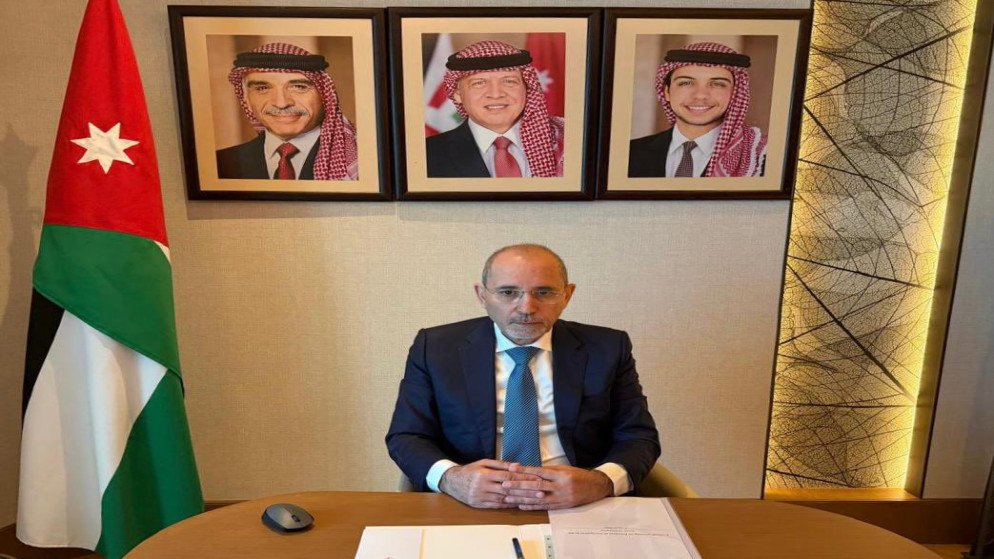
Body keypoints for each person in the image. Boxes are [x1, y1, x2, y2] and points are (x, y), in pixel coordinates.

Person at [386, 244, 660, 510]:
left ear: (567, 295)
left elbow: (638, 437)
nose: (527, 307)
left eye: (544, 292)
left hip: (577, 503)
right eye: (508, 292)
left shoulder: (607, 347)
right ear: (482, 295)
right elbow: (407, 436)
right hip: (472, 502)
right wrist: (451, 478)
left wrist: (600, 482)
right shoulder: (435, 348)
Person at [216, 42, 358, 180]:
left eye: (299, 87)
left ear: (325, 96)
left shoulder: (359, 162)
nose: (281, 103)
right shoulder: (220, 164)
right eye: (262, 88)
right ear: (246, 99)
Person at [426, 41, 565, 178]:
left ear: (527, 88)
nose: (496, 94)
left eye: (509, 81)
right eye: (479, 83)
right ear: (458, 94)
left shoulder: (566, 141)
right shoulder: (427, 154)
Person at [629, 42, 767, 178]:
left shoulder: (760, 158)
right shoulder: (629, 152)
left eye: (717, 84)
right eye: (686, 83)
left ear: (735, 94)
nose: (700, 95)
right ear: (667, 92)